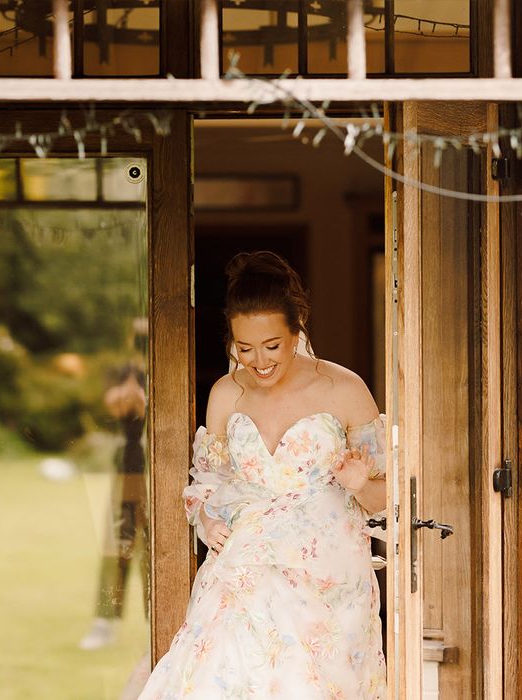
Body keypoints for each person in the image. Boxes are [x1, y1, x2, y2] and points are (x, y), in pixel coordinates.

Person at [137, 251, 387, 698]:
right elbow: (208, 483)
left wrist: (360, 484)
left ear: (297, 330)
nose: (259, 361)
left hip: (327, 583)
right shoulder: (226, 394)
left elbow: (387, 498)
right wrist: (207, 519)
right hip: (243, 570)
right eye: (245, 348)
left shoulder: (345, 390)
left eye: (271, 346)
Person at [79, 364, 150, 650]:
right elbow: (120, 402)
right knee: (114, 549)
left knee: (152, 551)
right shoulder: (124, 368)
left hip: (153, 471)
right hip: (126, 472)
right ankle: (104, 622)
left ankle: (154, 623)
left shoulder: (158, 364)